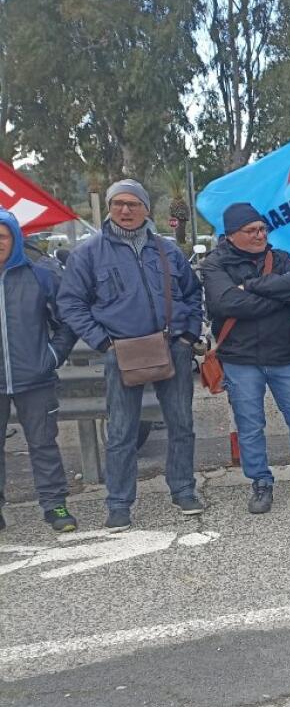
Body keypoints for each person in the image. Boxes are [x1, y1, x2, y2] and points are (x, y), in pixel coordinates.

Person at [57, 179, 205, 532]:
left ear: (146, 208)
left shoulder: (168, 252)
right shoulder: (88, 254)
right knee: (122, 431)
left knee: (181, 424)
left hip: (172, 347)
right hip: (121, 352)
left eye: (133, 204)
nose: (125, 210)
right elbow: (71, 303)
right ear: (110, 208)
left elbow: (193, 294)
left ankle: (183, 489)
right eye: (118, 204)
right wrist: (103, 343)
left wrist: (188, 336)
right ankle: (119, 503)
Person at [201, 203, 290, 513]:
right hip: (240, 358)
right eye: (251, 230)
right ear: (230, 235)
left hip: (285, 355)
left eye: (262, 229)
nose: (260, 235)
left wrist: (251, 287)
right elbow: (225, 303)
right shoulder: (215, 264)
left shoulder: (280, 257)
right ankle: (260, 483)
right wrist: (276, 300)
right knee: (251, 425)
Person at [0, 209, 78, 532]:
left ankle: (55, 505)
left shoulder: (40, 274)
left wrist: (52, 355)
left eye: (2, 236)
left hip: (36, 378)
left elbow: (67, 322)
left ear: (15, 238)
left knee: (44, 443)